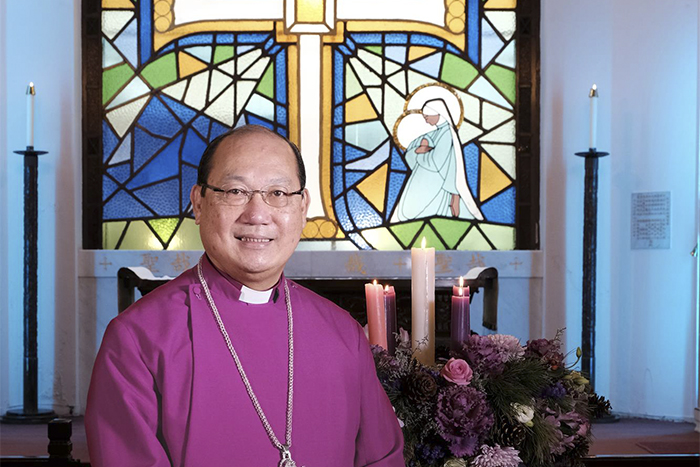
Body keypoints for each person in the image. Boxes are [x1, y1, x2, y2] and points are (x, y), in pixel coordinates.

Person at [85, 125, 405, 466]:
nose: (257, 215)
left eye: (278, 193)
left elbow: (382, 458)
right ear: (199, 203)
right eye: (236, 191)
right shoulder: (138, 338)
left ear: (303, 208)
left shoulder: (343, 333)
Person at [394, 97, 483, 222]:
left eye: (427, 116)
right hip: (427, 184)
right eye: (424, 117)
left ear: (437, 114)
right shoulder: (433, 133)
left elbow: (436, 163)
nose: (426, 120)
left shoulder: (447, 133)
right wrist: (417, 150)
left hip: (440, 186)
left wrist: (420, 153)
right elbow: (411, 155)